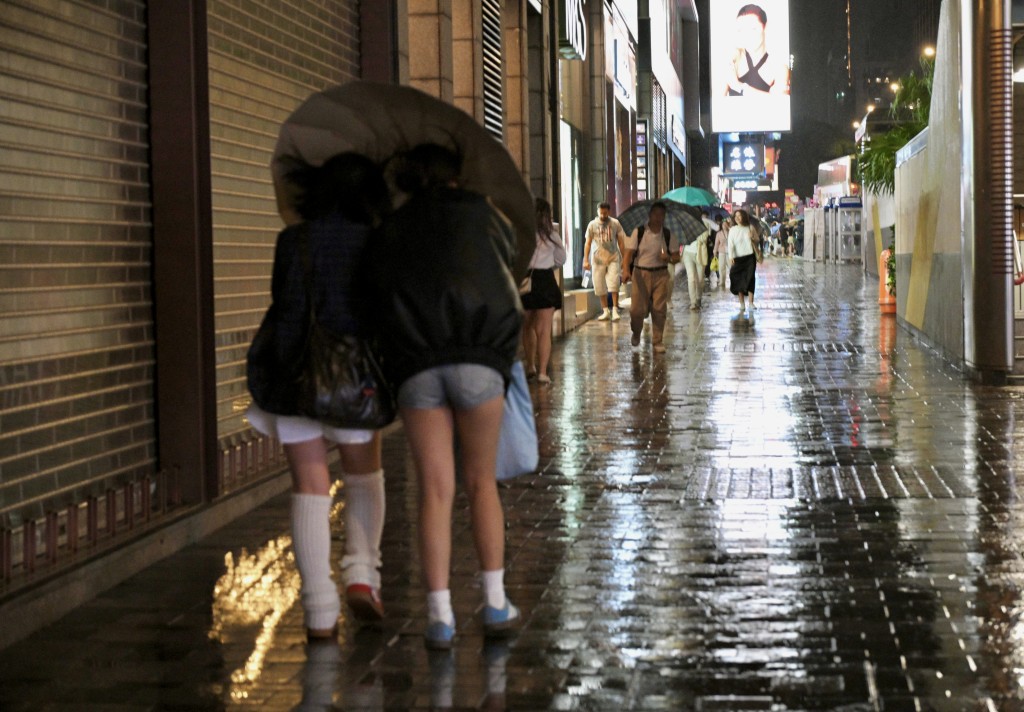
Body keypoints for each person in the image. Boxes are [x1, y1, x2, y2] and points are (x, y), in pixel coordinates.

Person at [370, 143, 523, 650]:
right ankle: (495, 602)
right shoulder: (485, 215)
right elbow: (508, 269)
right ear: (456, 176)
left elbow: (378, 290)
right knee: (481, 482)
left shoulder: (394, 223)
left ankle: (440, 617)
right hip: (480, 357)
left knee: (435, 489)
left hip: (418, 363)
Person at [246, 153, 392, 640]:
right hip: (357, 378)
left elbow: (283, 307)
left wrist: (278, 376)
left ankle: (319, 613)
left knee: (309, 487)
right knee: (363, 475)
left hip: (296, 376)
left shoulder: (293, 242)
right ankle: (361, 577)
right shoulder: (375, 242)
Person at [623, 201, 679, 352]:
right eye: (656, 214)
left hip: (661, 274)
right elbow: (628, 253)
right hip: (641, 273)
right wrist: (625, 270)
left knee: (659, 308)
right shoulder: (639, 232)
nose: (658, 217)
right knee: (637, 310)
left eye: (662, 215)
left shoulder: (667, 234)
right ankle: (636, 331)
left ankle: (657, 340)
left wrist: (669, 258)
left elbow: (676, 257)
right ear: (649, 215)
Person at [521, 198, 567, 384]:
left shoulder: (521, 233)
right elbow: (561, 259)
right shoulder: (552, 235)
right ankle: (542, 372)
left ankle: (530, 365)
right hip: (546, 281)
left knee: (527, 327)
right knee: (544, 329)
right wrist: (548, 265)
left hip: (526, 281)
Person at [723, 4, 790, 97]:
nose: (748, 35)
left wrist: (738, 86)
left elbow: (779, 104)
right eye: (742, 30)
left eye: (753, 29)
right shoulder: (734, 59)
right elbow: (717, 101)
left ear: (765, 27)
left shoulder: (779, 68)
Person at [582, 202, 628, 321]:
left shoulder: (615, 223)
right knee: (599, 285)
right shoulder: (592, 225)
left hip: (613, 257)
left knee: (614, 284)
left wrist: (624, 259)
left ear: (609, 212)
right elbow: (587, 243)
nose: (603, 215)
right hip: (597, 259)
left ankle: (615, 310)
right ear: (598, 211)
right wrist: (585, 259)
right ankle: (605, 310)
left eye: (605, 213)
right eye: (601, 213)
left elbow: (621, 242)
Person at [728, 208, 760, 316]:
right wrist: (731, 256)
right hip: (737, 258)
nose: (737, 218)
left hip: (750, 257)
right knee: (737, 279)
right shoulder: (732, 230)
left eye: (739, 215)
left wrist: (752, 238)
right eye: (735, 216)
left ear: (744, 217)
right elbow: (730, 244)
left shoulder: (750, 228)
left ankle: (751, 303)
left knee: (750, 279)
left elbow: (757, 240)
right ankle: (741, 303)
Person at [682, 215, 710, 311]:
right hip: (687, 253)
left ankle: (699, 298)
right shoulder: (685, 223)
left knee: (700, 279)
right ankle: (693, 302)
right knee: (691, 278)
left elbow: (704, 238)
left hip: (700, 254)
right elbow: (682, 237)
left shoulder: (705, 223)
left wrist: (695, 231)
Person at [714, 217, 732, 290]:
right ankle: (722, 282)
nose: (724, 226)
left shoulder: (731, 232)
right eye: (723, 225)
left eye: (725, 224)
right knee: (721, 268)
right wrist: (715, 251)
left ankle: (733, 281)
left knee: (731, 267)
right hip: (721, 252)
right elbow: (716, 243)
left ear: (728, 225)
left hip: (730, 252)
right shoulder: (719, 233)